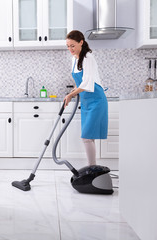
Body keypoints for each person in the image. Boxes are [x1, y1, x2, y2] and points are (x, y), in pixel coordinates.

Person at [64, 30, 108, 166]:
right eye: (68, 46)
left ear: (81, 42)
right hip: (86, 102)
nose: (70, 49)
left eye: (73, 45)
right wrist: (74, 91)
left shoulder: (88, 57)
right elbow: (81, 83)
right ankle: (93, 169)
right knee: (89, 137)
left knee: (86, 137)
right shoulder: (74, 59)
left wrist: (71, 94)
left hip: (96, 100)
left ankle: (92, 169)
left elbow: (87, 82)